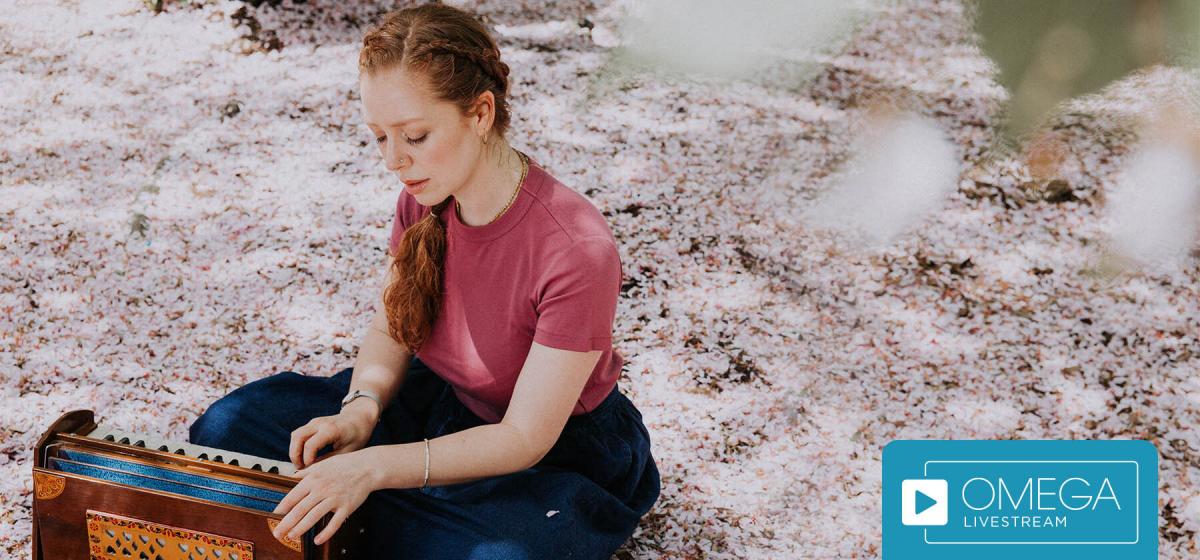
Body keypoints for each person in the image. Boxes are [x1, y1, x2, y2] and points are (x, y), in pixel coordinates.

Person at [187, 3, 662, 558]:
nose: (394, 160)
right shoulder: (424, 199)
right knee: (227, 431)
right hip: (437, 403)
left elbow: (522, 438)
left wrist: (373, 468)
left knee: (505, 555)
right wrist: (360, 408)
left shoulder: (576, 248)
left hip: (546, 452)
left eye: (414, 135)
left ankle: (372, 511)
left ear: (480, 113)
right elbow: (393, 326)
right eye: (379, 137)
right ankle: (383, 513)